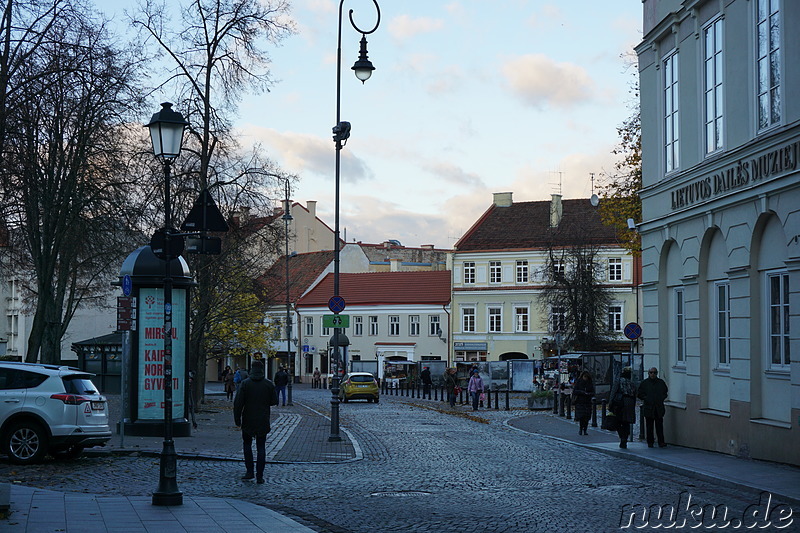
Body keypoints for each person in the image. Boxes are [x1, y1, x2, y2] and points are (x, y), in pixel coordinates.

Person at [233, 360, 278, 484]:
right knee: (261, 447)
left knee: (247, 445)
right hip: (263, 419)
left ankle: (249, 472)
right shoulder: (268, 384)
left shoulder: (245, 384)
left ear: (251, 369)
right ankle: (260, 475)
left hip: (248, 418)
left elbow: (238, 403)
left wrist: (237, 419)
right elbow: (274, 401)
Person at [637, 367, 669, 448]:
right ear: (648, 373)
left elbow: (665, 392)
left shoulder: (661, 382)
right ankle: (650, 442)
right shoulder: (644, 383)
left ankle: (661, 442)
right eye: (651, 372)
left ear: (656, 373)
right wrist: (646, 398)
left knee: (659, 426)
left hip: (658, 408)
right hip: (648, 407)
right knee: (649, 426)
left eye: (654, 372)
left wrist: (661, 398)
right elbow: (639, 394)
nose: (653, 374)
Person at [611, 366, 637, 449]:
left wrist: (610, 403)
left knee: (618, 421)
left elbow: (613, 392)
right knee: (626, 422)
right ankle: (624, 438)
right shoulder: (632, 382)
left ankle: (622, 437)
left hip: (620, 403)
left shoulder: (618, 381)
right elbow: (635, 394)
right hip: (630, 403)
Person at [572, 371, 595, 435]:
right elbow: (575, 391)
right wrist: (582, 392)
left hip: (587, 402)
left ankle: (585, 430)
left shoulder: (590, 383)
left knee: (587, 417)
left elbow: (593, 392)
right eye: (585, 377)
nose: (585, 378)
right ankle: (581, 429)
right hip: (580, 402)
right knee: (581, 417)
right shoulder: (579, 382)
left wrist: (588, 394)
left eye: (586, 377)